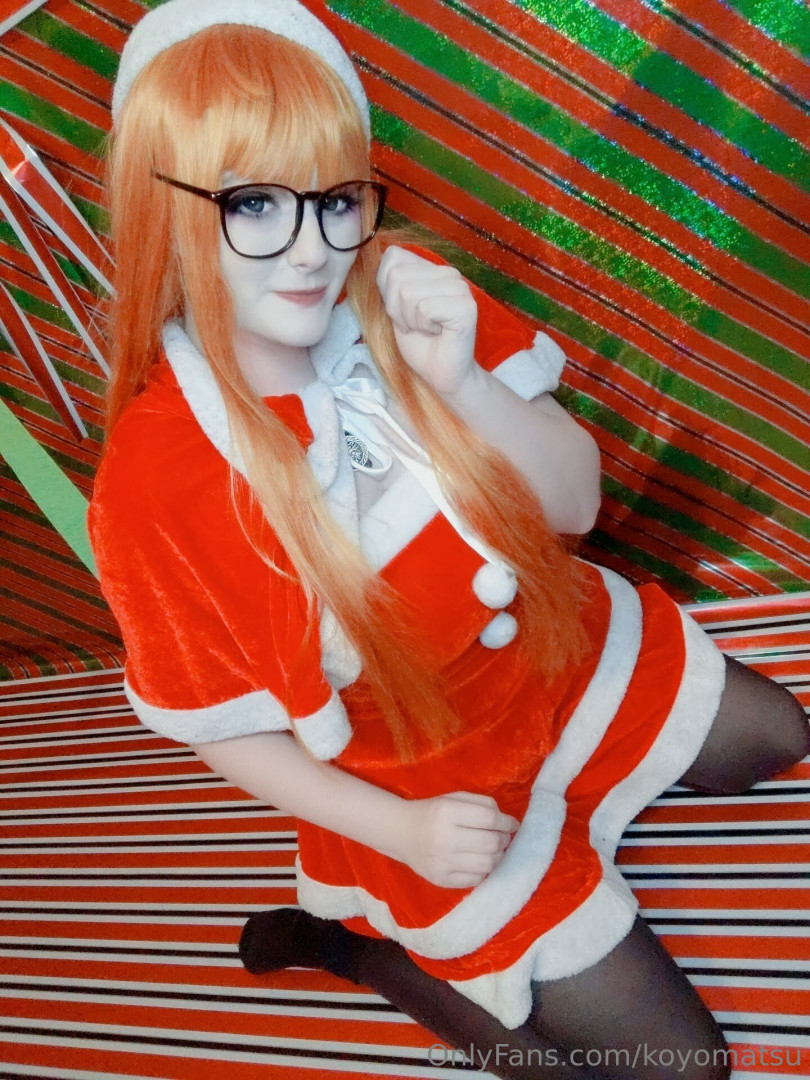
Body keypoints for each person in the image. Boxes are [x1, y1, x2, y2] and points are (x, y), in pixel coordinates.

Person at [90, 1, 809, 1077]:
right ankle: (365, 951)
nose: (314, 249)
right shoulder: (154, 481)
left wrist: (463, 380)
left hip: (566, 657)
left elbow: (573, 507)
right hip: (425, 779)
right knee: (676, 1067)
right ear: (169, 207)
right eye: (254, 204)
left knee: (779, 736)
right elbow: (223, 729)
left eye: (336, 198)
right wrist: (401, 834)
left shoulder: (402, 296)